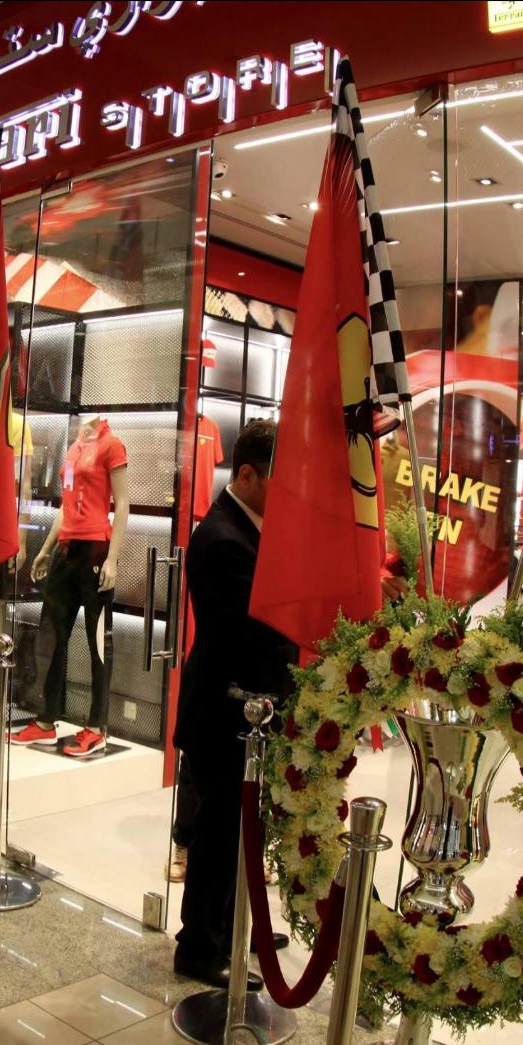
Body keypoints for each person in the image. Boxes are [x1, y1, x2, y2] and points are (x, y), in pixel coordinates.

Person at [172, 419, 296, 990]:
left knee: (239, 832)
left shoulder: (250, 527)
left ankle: (231, 925)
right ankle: (201, 947)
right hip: (224, 714)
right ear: (247, 474)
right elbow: (260, 628)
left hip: (246, 712)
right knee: (219, 835)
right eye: (278, 481)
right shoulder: (222, 538)